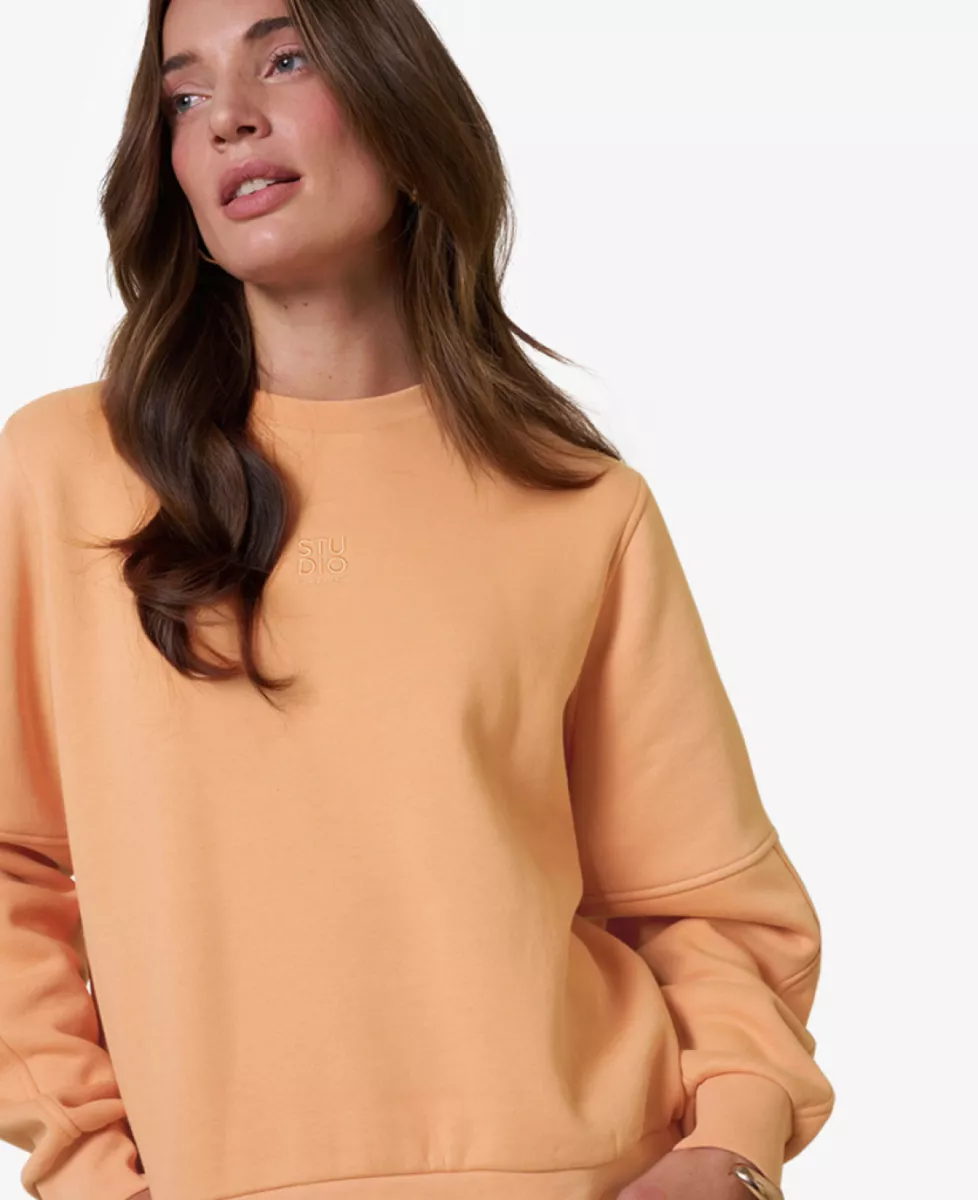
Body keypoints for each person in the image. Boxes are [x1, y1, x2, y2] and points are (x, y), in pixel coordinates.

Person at [0, 1, 835, 1199]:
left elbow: (711, 906)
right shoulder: (67, 472)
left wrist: (729, 1147)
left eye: (285, 59)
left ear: (399, 100)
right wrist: (93, 1172)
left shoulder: (577, 504)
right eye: (185, 96)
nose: (229, 118)